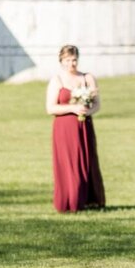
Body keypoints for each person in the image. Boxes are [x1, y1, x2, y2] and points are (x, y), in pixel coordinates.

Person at [46, 44, 105, 212]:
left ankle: (89, 200)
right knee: (68, 164)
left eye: (74, 60)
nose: (71, 64)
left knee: (86, 161)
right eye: (67, 60)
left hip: (84, 126)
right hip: (64, 129)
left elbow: (97, 105)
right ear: (61, 61)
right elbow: (50, 108)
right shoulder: (57, 80)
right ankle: (70, 201)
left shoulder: (88, 78)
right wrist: (72, 108)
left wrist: (87, 111)